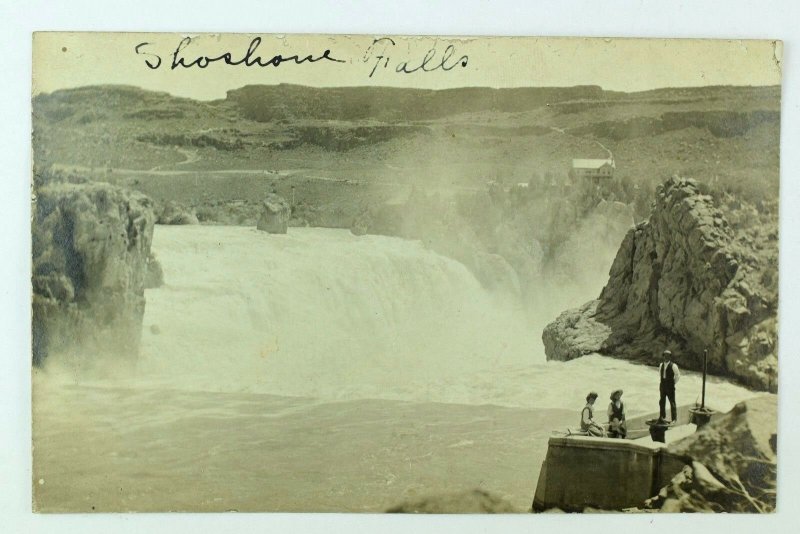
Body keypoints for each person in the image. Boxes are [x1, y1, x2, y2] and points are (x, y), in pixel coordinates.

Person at [658, 350, 681, 423]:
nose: (666, 357)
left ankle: (674, 419)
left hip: (670, 386)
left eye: (668, 356)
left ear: (670, 357)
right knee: (662, 401)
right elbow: (660, 374)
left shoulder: (674, 366)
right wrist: (663, 383)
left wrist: (673, 383)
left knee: (672, 402)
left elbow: (678, 376)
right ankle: (662, 417)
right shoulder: (661, 365)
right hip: (662, 386)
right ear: (663, 356)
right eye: (665, 355)